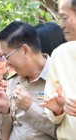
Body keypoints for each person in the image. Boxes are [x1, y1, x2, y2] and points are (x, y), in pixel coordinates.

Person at [0, 21, 57, 140]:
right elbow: (4, 136)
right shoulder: (13, 82)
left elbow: (66, 131)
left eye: (6, 56)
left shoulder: (59, 77)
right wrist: (4, 109)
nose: (6, 62)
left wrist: (30, 108)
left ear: (25, 50)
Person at [38, 0, 76, 139]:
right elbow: (55, 117)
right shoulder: (60, 54)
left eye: (65, 18)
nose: (61, 24)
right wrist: (57, 110)